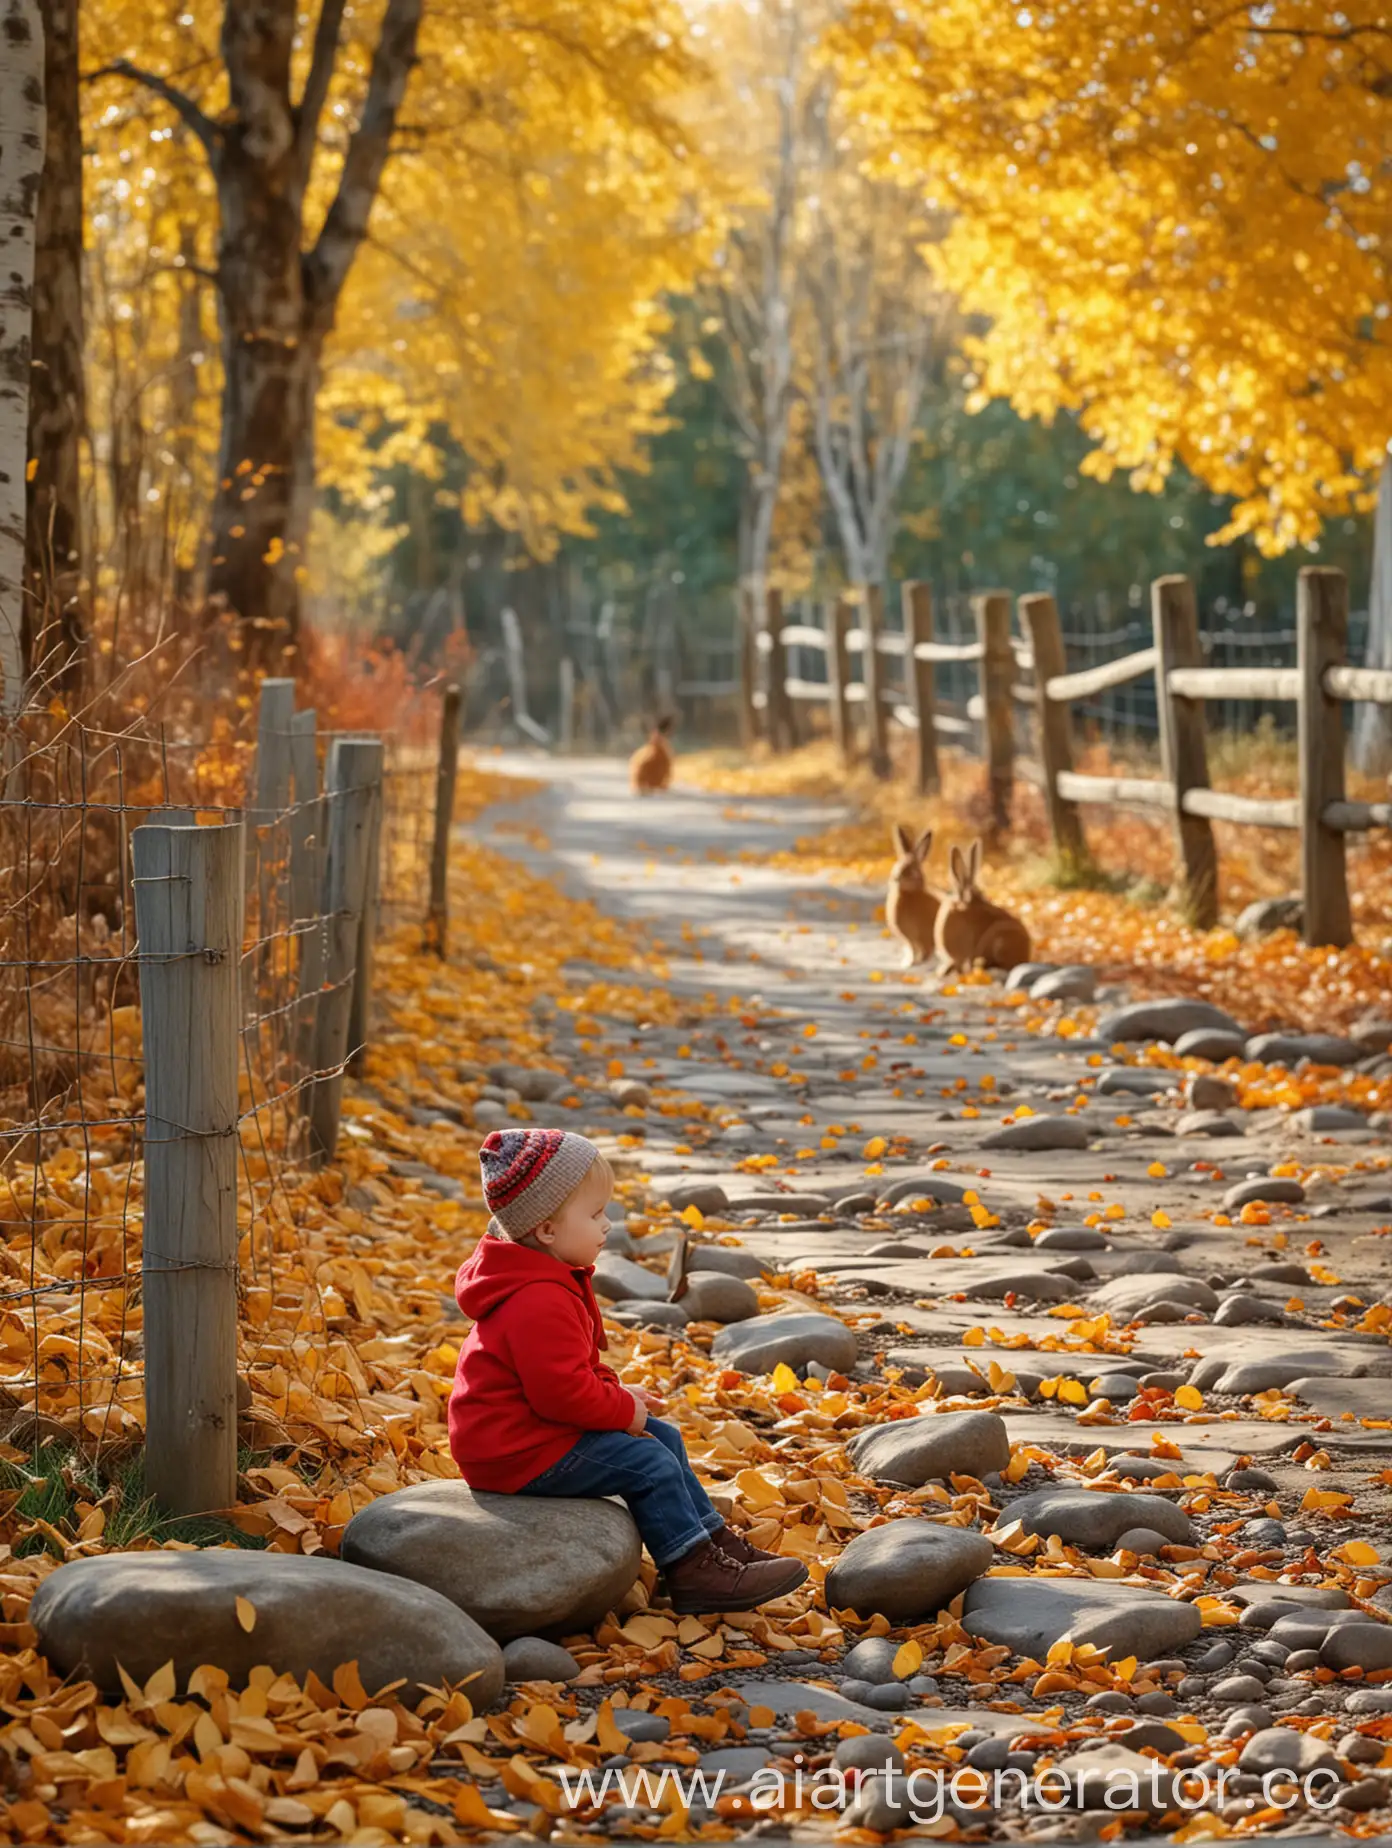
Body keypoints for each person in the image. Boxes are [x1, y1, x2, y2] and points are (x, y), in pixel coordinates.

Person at [448, 1127, 808, 1613]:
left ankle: (714, 1542)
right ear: (547, 1230)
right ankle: (691, 1571)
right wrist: (620, 1411)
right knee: (649, 1463)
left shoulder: (542, 1276)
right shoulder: (537, 1299)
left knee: (666, 1438)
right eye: (596, 1214)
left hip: (530, 1430)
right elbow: (559, 1395)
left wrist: (619, 1394)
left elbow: (567, 1372)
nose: (607, 1225)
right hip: (515, 1449)